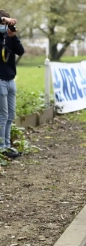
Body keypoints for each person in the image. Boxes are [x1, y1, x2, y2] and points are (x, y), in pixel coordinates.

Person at [0, 10, 24, 158]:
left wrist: (13, 37)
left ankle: (7, 146)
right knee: (2, 115)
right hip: (0, 80)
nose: (7, 26)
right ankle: (1, 147)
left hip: (10, 80)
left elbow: (20, 51)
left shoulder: (9, 37)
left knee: (10, 115)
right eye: (4, 23)